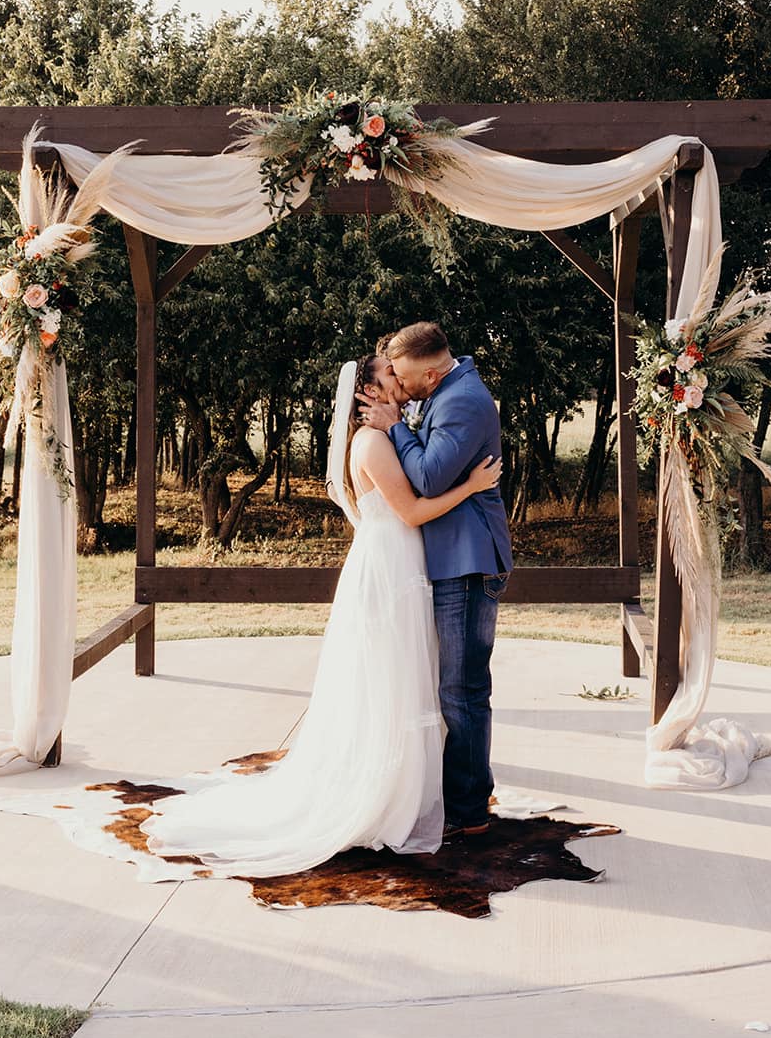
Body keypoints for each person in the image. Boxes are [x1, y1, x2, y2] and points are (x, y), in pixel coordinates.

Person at [136, 351, 502, 876]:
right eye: (387, 377)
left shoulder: (383, 435)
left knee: (398, 683)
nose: (397, 381)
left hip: (396, 566)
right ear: (367, 394)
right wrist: (471, 486)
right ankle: (383, 799)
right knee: (391, 684)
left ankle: (411, 793)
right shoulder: (373, 443)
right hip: (389, 572)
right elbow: (414, 510)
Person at [358, 322, 513, 840]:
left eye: (403, 377)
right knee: (457, 687)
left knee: (461, 689)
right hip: (452, 559)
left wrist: (396, 426)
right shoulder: (446, 391)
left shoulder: (462, 401)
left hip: (467, 562)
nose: (400, 388)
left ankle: (468, 811)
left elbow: (426, 478)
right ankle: (472, 789)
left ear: (429, 371)